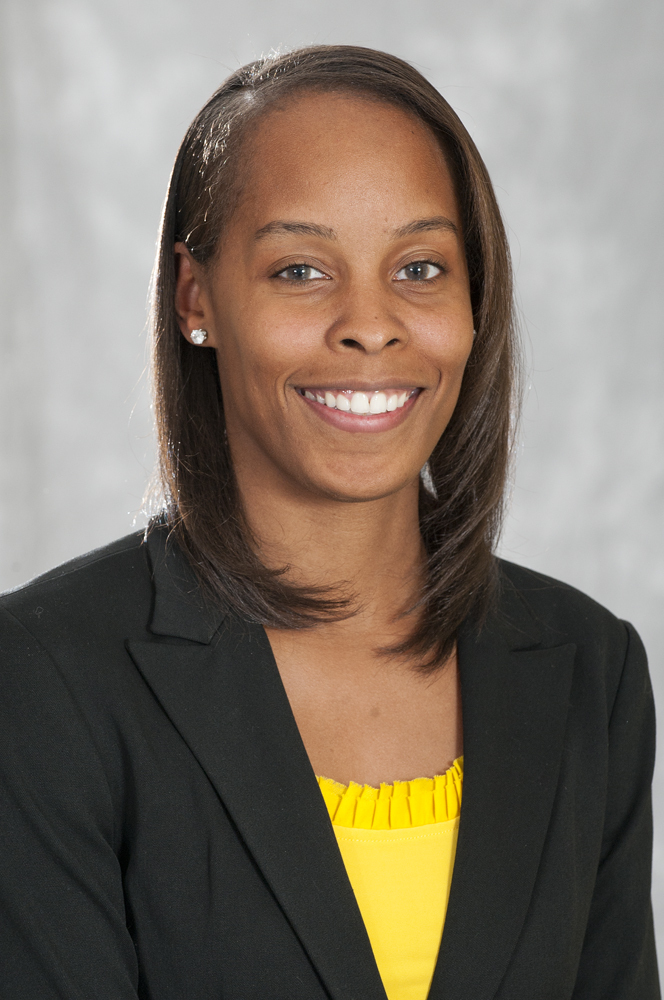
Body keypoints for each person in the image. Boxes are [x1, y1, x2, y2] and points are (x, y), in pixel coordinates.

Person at [0, 44, 658, 1000]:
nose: (370, 324)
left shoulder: (591, 672)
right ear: (196, 297)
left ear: (476, 300)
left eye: (420, 267)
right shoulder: (43, 680)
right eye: (302, 269)